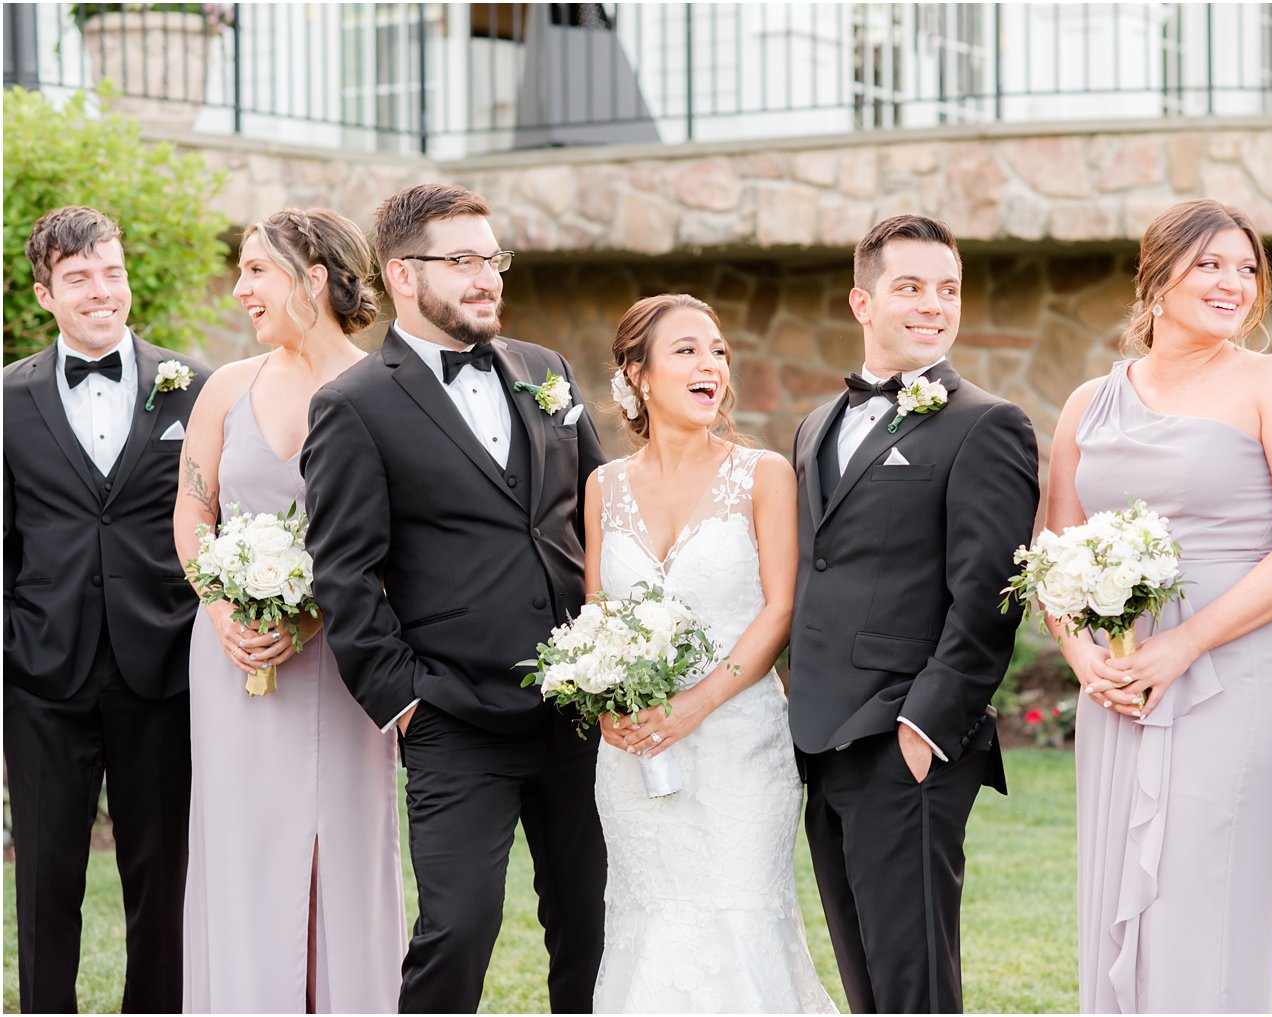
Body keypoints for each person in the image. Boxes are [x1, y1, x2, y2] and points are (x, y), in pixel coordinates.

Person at [300, 183, 607, 1013]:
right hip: (455, 717)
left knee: (593, 924)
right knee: (460, 926)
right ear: (402, 274)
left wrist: (618, 655)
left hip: (579, 710)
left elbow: (602, 514)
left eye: (493, 259)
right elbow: (344, 573)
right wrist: (406, 702)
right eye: (462, 261)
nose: (487, 279)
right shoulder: (354, 406)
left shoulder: (546, 370)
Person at [1050, 198, 1272, 1012]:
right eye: (1211, 263)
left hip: (1236, 671)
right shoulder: (1087, 404)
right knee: (1118, 883)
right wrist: (1086, 662)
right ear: (1157, 274)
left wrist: (1184, 646)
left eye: (1248, 268)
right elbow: (1056, 553)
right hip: (1121, 678)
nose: (1234, 283)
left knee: (1201, 887)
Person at [789, 214, 1040, 1014]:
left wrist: (924, 727)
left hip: (908, 741)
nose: (934, 304)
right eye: (911, 287)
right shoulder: (813, 426)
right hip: (823, 740)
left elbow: (991, 594)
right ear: (863, 301)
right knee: (867, 983)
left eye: (948, 289)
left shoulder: (986, 425)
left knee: (915, 986)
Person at [173, 208, 405, 1012]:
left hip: (348, 665)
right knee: (243, 847)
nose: (239, 289)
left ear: (313, 279)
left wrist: (311, 617)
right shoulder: (228, 388)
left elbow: (403, 538)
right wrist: (222, 607)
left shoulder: (383, 391)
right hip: (232, 658)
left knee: (345, 845)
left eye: (255, 270)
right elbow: (192, 514)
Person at [589, 294, 836, 1013]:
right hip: (635, 756)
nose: (712, 365)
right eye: (688, 350)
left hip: (737, 747)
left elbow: (780, 607)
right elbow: (598, 615)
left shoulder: (762, 475)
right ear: (637, 373)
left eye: (720, 350)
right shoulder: (602, 487)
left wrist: (694, 704)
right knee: (647, 922)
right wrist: (607, 702)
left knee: (739, 919)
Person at [3, 206, 207, 1013]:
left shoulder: (193, 387)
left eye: (111, 273)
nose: (101, 291)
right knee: (44, 874)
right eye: (79, 278)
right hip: (42, 677)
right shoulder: (7, 400)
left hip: (160, 670)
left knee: (161, 875)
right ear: (45, 294)